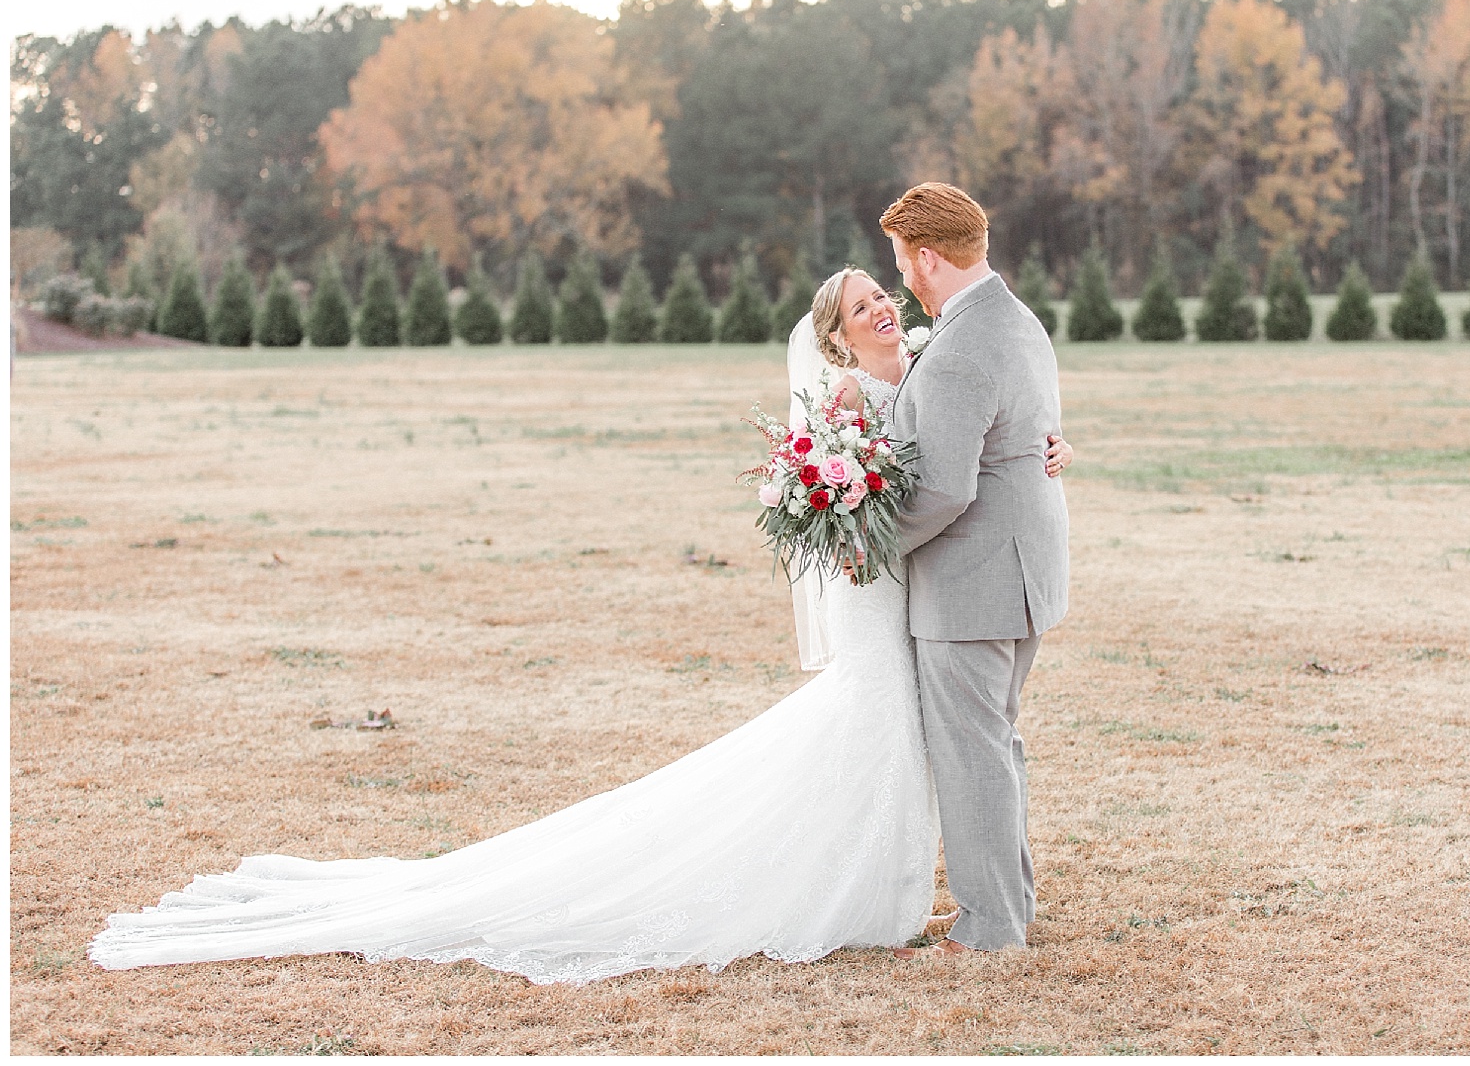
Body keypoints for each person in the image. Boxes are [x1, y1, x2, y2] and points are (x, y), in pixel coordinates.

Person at [88, 251, 1073, 985]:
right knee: (878, 731)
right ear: (836, 334)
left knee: (908, 740)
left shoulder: (927, 368)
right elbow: (854, 489)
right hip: (881, 587)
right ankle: (861, 895)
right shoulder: (849, 393)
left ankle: (899, 893)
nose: (884, 307)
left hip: (922, 584)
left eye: (885, 295)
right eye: (864, 304)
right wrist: (855, 505)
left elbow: (976, 433)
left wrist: (1042, 449)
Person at [878, 183, 1070, 958]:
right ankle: (1009, 905)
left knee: (972, 751)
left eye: (901, 259)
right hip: (1021, 572)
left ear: (927, 256)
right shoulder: (1015, 319)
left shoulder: (958, 346)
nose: (901, 277)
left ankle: (990, 926)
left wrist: (871, 544)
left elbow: (946, 487)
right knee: (996, 742)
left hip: (975, 580)